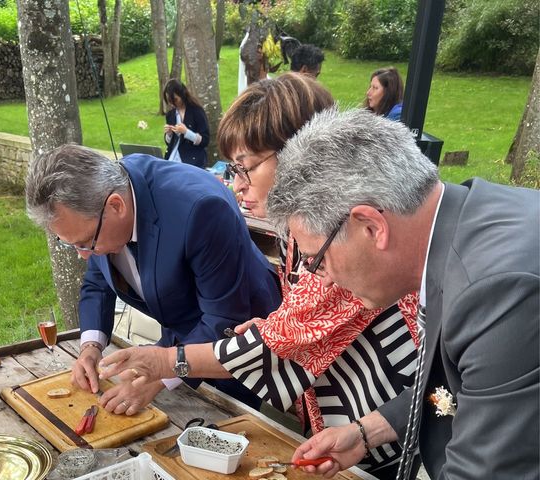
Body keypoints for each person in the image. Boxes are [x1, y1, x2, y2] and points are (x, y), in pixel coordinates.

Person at [102, 74, 421, 479]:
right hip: (345, 422)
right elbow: (297, 325)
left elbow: (285, 339)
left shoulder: (343, 236)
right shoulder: (298, 230)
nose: (237, 185)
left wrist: (168, 359)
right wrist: (274, 326)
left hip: (387, 423)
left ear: (299, 153)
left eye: (245, 167)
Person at [260, 108, 539, 479]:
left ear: (372, 226)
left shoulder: (496, 292)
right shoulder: (459, 221)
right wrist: (365, 433)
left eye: (318, 260)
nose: (322, 281)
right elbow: (460, 387)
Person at [25, 144, 281, 413]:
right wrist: (91, 347)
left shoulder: (201, 209)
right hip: (180, 335)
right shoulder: (99, 203)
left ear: (116, 206)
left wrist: (162, 373)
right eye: (71, 244)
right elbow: (97, 282)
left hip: (247, 345)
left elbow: (224, 319)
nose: (83, 256)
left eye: (86, 243)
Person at [163, 79, 210, 168]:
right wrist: (168, 134)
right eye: (169, 101)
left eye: (175, 100)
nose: (172, 104)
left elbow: (205, 140)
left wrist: (186, 132)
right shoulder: (171, 114)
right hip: (173, 156)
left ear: (182, 94)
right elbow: (170, 143)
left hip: (191, 158)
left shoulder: (196, 111)